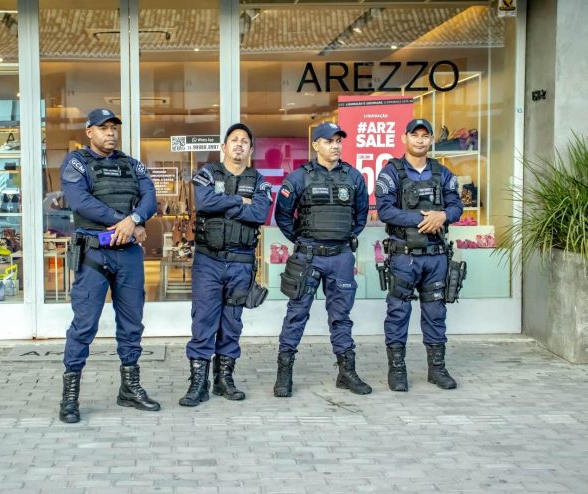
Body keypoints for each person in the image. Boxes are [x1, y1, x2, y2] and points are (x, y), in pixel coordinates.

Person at [59, 108, 159, 423]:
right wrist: (126, 222)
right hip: (94, 253)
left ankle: (129, 389)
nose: (111, 133)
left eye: (114, 127)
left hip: (128, 254)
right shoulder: (76, 162)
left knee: (132, 324)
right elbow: (81, 202)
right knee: (85, 325)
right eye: (103, 128)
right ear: (89, 132)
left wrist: (136, 219)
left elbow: (150, 197)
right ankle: (70, 397)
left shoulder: (133, 164)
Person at [273, 122, 371, 397]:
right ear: (316, 145)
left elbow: (361, 214)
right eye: (329, 141)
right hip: (308, 257)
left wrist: (345, 236)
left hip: (340, 256)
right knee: (296, 315)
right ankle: (284, 374)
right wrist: (303, 240)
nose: (336, 145)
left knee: (341, 317)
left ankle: (347, 373)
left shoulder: (353, 177)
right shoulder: (298, 178)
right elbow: (283, 215)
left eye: (339, 140)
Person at [179, 123, 272, 407]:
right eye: (234, 140)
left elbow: (259, 212)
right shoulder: (208, 174)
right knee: (204, 319)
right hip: (209, 260)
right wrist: (239, 201)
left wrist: (230, 204)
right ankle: (198, 384)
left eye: (245, 141)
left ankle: (224, 380)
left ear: (251, 150)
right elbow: (205, 202)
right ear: (224, 146)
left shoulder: (259, 180)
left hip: (241, 263)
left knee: (232, 323)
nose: (239, 145)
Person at [375, 118, 463, 392]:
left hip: (436, 256)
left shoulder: (443, 172)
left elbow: (457, 206)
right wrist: (423, 218)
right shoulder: (391, 173)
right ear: (405, 138)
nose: (421, 140)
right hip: (404, 256)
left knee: (436, 312)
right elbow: (385, 210)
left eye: (425, 136)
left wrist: (443, 215)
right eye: (415, 135)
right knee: (398, 312)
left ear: (430, 140)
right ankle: (397, 370)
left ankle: (437, 369)